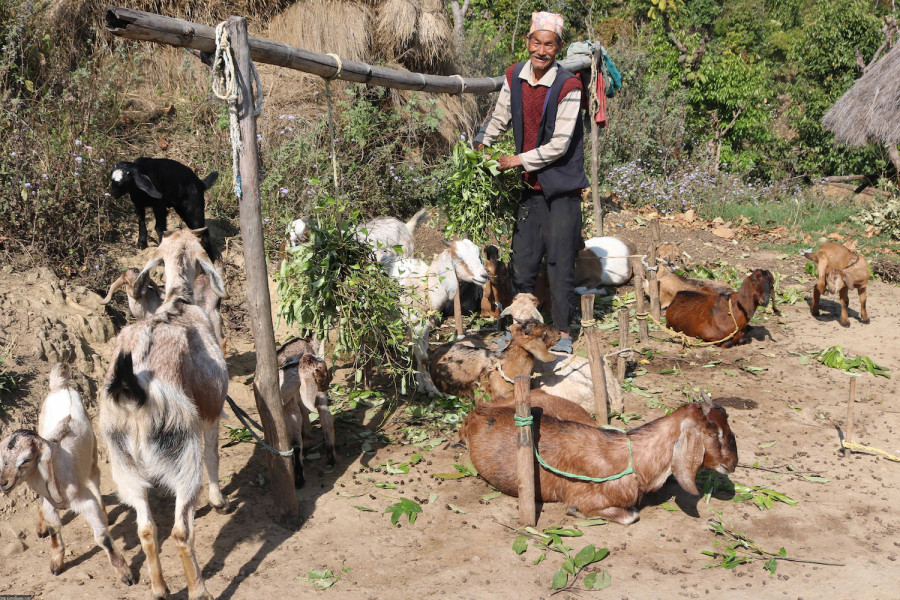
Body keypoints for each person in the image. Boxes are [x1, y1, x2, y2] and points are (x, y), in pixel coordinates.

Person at [474, 11, 588, 354]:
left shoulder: (569, 86)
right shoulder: (515, 76)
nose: (541, 50)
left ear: (558, 47)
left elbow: (560, 144)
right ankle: (520, 328)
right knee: (522, 260)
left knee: (559, 260)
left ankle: (564, 333)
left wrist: (516, 160)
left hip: (562, 187)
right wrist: (483, 142)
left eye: (549, 44)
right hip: (530, 186)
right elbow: (500, 117)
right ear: (528, 43)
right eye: (536, 42)